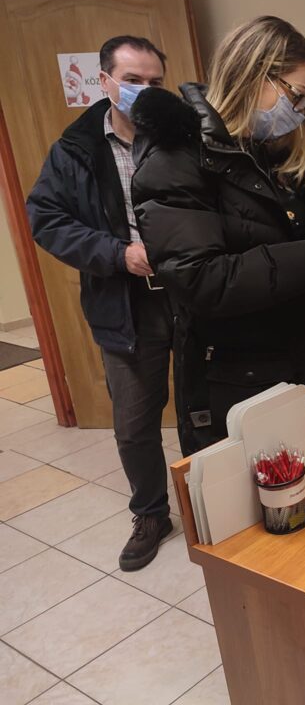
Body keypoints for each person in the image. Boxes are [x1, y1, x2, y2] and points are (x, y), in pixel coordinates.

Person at [130, 16, 305, 455]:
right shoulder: (176, 161)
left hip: (299, 356)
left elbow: (279, 258)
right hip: (238, 379)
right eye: (296, 95)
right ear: (254, 75)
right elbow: (200, 279)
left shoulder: (274, 157)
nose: (301, 111)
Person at [27, 36, 175, 571]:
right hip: (125, 304)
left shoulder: (181, 136)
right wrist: (118, 254)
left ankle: (218, 505)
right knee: (134, 424)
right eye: (133, 81)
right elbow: (48, 221)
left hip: (193, 293)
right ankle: (152, 514)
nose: (145, 91)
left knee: (209, 410)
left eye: (155, 82)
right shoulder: (74, 149)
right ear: (105, 81)